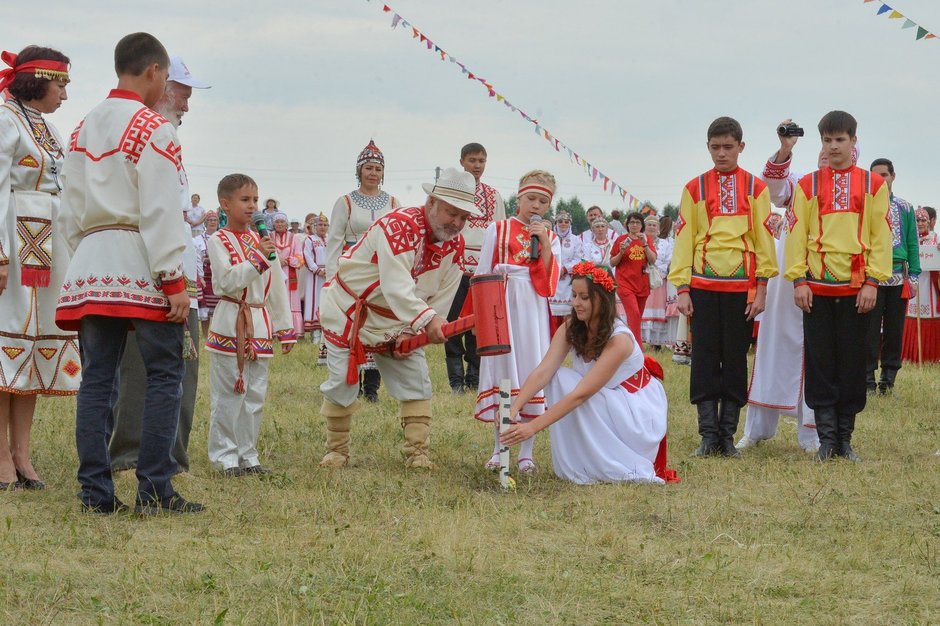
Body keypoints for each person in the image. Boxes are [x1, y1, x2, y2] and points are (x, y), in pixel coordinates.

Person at [56, 33, 202, 514]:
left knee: (98, 378)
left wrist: (86, 257)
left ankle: (95, 492)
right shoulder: (153, 128)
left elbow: (70, 208)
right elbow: (160, 208)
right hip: (140, 257)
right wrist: (172, 278)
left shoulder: (82, 128)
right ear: (155, 72)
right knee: (164, 373)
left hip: (94, 260)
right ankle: (155, 488)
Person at [317, 167, 477, 469]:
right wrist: (426, 321)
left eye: (463, 217)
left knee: (416, 381)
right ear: (431, 202)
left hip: (401, 319)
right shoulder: (400, 224)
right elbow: (395, 284)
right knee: (341, 382)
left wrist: (420, 327)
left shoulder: (455, 243)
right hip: (351, 310)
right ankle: (336, 451)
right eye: (450, 213)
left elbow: (445, 292)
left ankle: (417, 453)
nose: (456, 223)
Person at [108, 53, 210, 476]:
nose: (187, 106)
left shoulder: (166, 137)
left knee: (181, 369)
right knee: (139, 369)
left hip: (175, 268)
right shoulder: (146, 135)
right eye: (183, 95)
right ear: (163, 86)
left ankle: (171, 454)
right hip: (148, 271)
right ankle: (132, 455)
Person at [500, 262, 675, 484]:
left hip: (636, 410)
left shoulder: (619, 339)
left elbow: (580, 394)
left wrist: (533, 427)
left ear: (602, 298)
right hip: (606, 399)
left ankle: (606, 460)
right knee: (558, 377)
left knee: (568, 384)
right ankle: (581, 460)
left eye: (584, 297)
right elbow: (544, 371)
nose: (576, 303)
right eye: (574, 295)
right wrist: (515, 406)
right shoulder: (571, 326)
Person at [785, 110, 891, 462]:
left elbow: (880, 237)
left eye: (840, 139)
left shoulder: (874, 185)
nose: (833, 146)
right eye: (827, 140)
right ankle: (826, 440)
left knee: (853, 361)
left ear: (854, 141)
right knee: (820, 362)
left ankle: (845, 440)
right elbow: (797, 235)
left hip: (858, 288)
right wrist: (798, 279)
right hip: (816, 289)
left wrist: (874, 281)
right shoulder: (808, 185)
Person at [668, 116, 777, 458]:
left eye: (728, 147)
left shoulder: (756, 188)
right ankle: (707, 434)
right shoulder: (694, 189)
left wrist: (761, 289)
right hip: (702, 285)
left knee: (734, 359)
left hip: (741, 289)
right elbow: (685, 239)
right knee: (703, 359)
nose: (721, 153)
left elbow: (763, 240)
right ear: (708, 147)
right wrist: (682, 288)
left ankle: (727, 436)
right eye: (715, 147)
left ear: (741, 147)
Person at [0, 45, 79, 491]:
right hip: (13, 237)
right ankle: (0, 460)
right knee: (7, 344)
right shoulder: (4, 120)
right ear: (38, 79)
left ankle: (21, 454)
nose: (65, 95)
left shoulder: (47, 127)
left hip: (47, 245)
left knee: (32, 345)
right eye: (61, 84)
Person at [738, 120, 825, 453]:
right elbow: (772, 187)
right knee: (773, 349)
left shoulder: (854, 190)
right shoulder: (801, 184)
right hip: (787, 280)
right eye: (823, 148)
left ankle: (812, 434)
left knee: (818, 357)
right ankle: (757, 429)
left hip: (825, 279)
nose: (827, 154)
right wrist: (786, 148)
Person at [205, 174, 295, 475]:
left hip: (259, 322)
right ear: (225, 203)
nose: (252, 205)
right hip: (231, 320)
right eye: (245, 200)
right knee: (229, 393)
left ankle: (249, 454)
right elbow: (225, 281)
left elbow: (277, 287)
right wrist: (257, 259)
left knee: (255, 393)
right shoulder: (217, 240)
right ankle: (225, 456)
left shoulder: (262, 242)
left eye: (255, 200)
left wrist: (284, 327)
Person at [474, 170, 560, 474]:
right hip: (502, 304)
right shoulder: (497, 229)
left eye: (542, 201)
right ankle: (499, 447)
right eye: (531, 199)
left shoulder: (549, 236)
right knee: (504, 370)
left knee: (530, 370)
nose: (535, 206)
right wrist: (482, 317)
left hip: (533, 309)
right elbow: (482, 273)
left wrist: (545, 244)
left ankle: (526, 452)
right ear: (519, 198)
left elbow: (552, 281)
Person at [326, 139, 399, 402]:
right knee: (352, 326)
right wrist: (331, 279)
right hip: (352, 272)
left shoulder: (392, 202)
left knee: (377, 326)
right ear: (359, 171)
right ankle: (351, 383)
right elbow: (333, 242)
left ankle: (372, 388)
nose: (373, 173)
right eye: (368, 168)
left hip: (381, 273)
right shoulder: (345, 202)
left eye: (377, 169)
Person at [445, 142, 505, 393]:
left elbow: (500, 232)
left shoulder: (493, 195)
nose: (477, 165)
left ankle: (474, 377)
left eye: (481, 160)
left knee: (478, 325)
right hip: (453, 269)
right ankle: (456, 379)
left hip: (481, 271)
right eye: (472, 160)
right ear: (461, 162)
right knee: (451, 324)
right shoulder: (450, 193)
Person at [866, 158, 920, 395]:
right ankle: (867, 379)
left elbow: (912, 243)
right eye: (875, 176)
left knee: (894, 329)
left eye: (884, 175)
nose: (880, 180)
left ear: (893, 176)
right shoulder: (864, 205)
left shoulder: (905, 207)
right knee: (867, 328)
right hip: (870, 278)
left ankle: (888, 381)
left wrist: (915, 276)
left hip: (899, 275)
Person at [610, 211, 656, 343]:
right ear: (627, 224)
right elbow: (612, 262)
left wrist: (645, 244)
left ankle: (628, 344)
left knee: (636, 318)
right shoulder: (620, 240)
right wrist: (621, 252)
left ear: (642, 225)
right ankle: (638, 349)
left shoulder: (647, 239)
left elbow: (653, 260)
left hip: (642, 283)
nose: (634, 225)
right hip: (624, 283)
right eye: (632, 222)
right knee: (634, 314)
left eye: (637, 222)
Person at [902, 207, 940, 363]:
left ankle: (932, 356)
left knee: (931, 315)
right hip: (914, 283)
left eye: (923, 220)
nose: (920, 223)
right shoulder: (908, 240)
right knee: (911, 314)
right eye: (917, 220)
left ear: (929, 222)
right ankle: (911, 356)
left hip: (929, 286)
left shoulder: (935, 239)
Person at [548, 210, 584, 330]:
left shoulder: (576, 240)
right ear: (556, 223)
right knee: (552, 312)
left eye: (566, 222)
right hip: (552, 278)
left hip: (568, 279)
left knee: (568, 313)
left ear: (570, 224)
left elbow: (578, 258)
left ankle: (569, 339)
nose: (563, 224)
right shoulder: (549, 237)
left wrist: (564, 269)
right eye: (560, 221)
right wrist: (555, 268)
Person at [643, 216, 675, 349]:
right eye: (649, 225)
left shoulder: (666, 244)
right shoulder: (640, 241)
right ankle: (645, 340)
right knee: (644, 310)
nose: (651, 227)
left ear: (658, 228)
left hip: (659, 282)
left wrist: (656, 272)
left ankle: (657, 343)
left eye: (654, 225)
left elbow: (668, 261)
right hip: (643, 280)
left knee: (659, 310)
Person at [272, 211, 304, 337]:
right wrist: (277, 261)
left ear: (286, 224)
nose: (279, 224)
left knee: (291, 301)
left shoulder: (294, 237)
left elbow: (300, 257)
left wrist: (289, 260)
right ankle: (275, 331)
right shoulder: (269, 236)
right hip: (275, 272)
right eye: (277, 222)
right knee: (275, 299)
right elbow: (264, 254)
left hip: (289, 272)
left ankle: (293, 331)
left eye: (282, 222)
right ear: (274, 224)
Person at [302, 213, 328, 355]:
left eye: (325, 225)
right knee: (315, 301)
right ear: (314, 227)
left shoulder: (331, 239)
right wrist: (316, 270)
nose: (322, 227)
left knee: (327, 302)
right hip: (315, 275)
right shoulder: (310, 239)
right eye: (320, 225)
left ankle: (327, 334)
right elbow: (307, 256)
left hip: (329, 274)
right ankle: (315, 335)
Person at [194, 210, 220, 337]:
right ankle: (205, 336)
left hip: (219, 275)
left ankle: (217, 335)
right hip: (205, 275)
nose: (212, 222)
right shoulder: (198, 239)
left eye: (215, 220)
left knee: (219, 309)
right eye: (210, 220)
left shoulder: (222, 237)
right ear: (205, 222)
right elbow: (197, 258)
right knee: (206, 310)